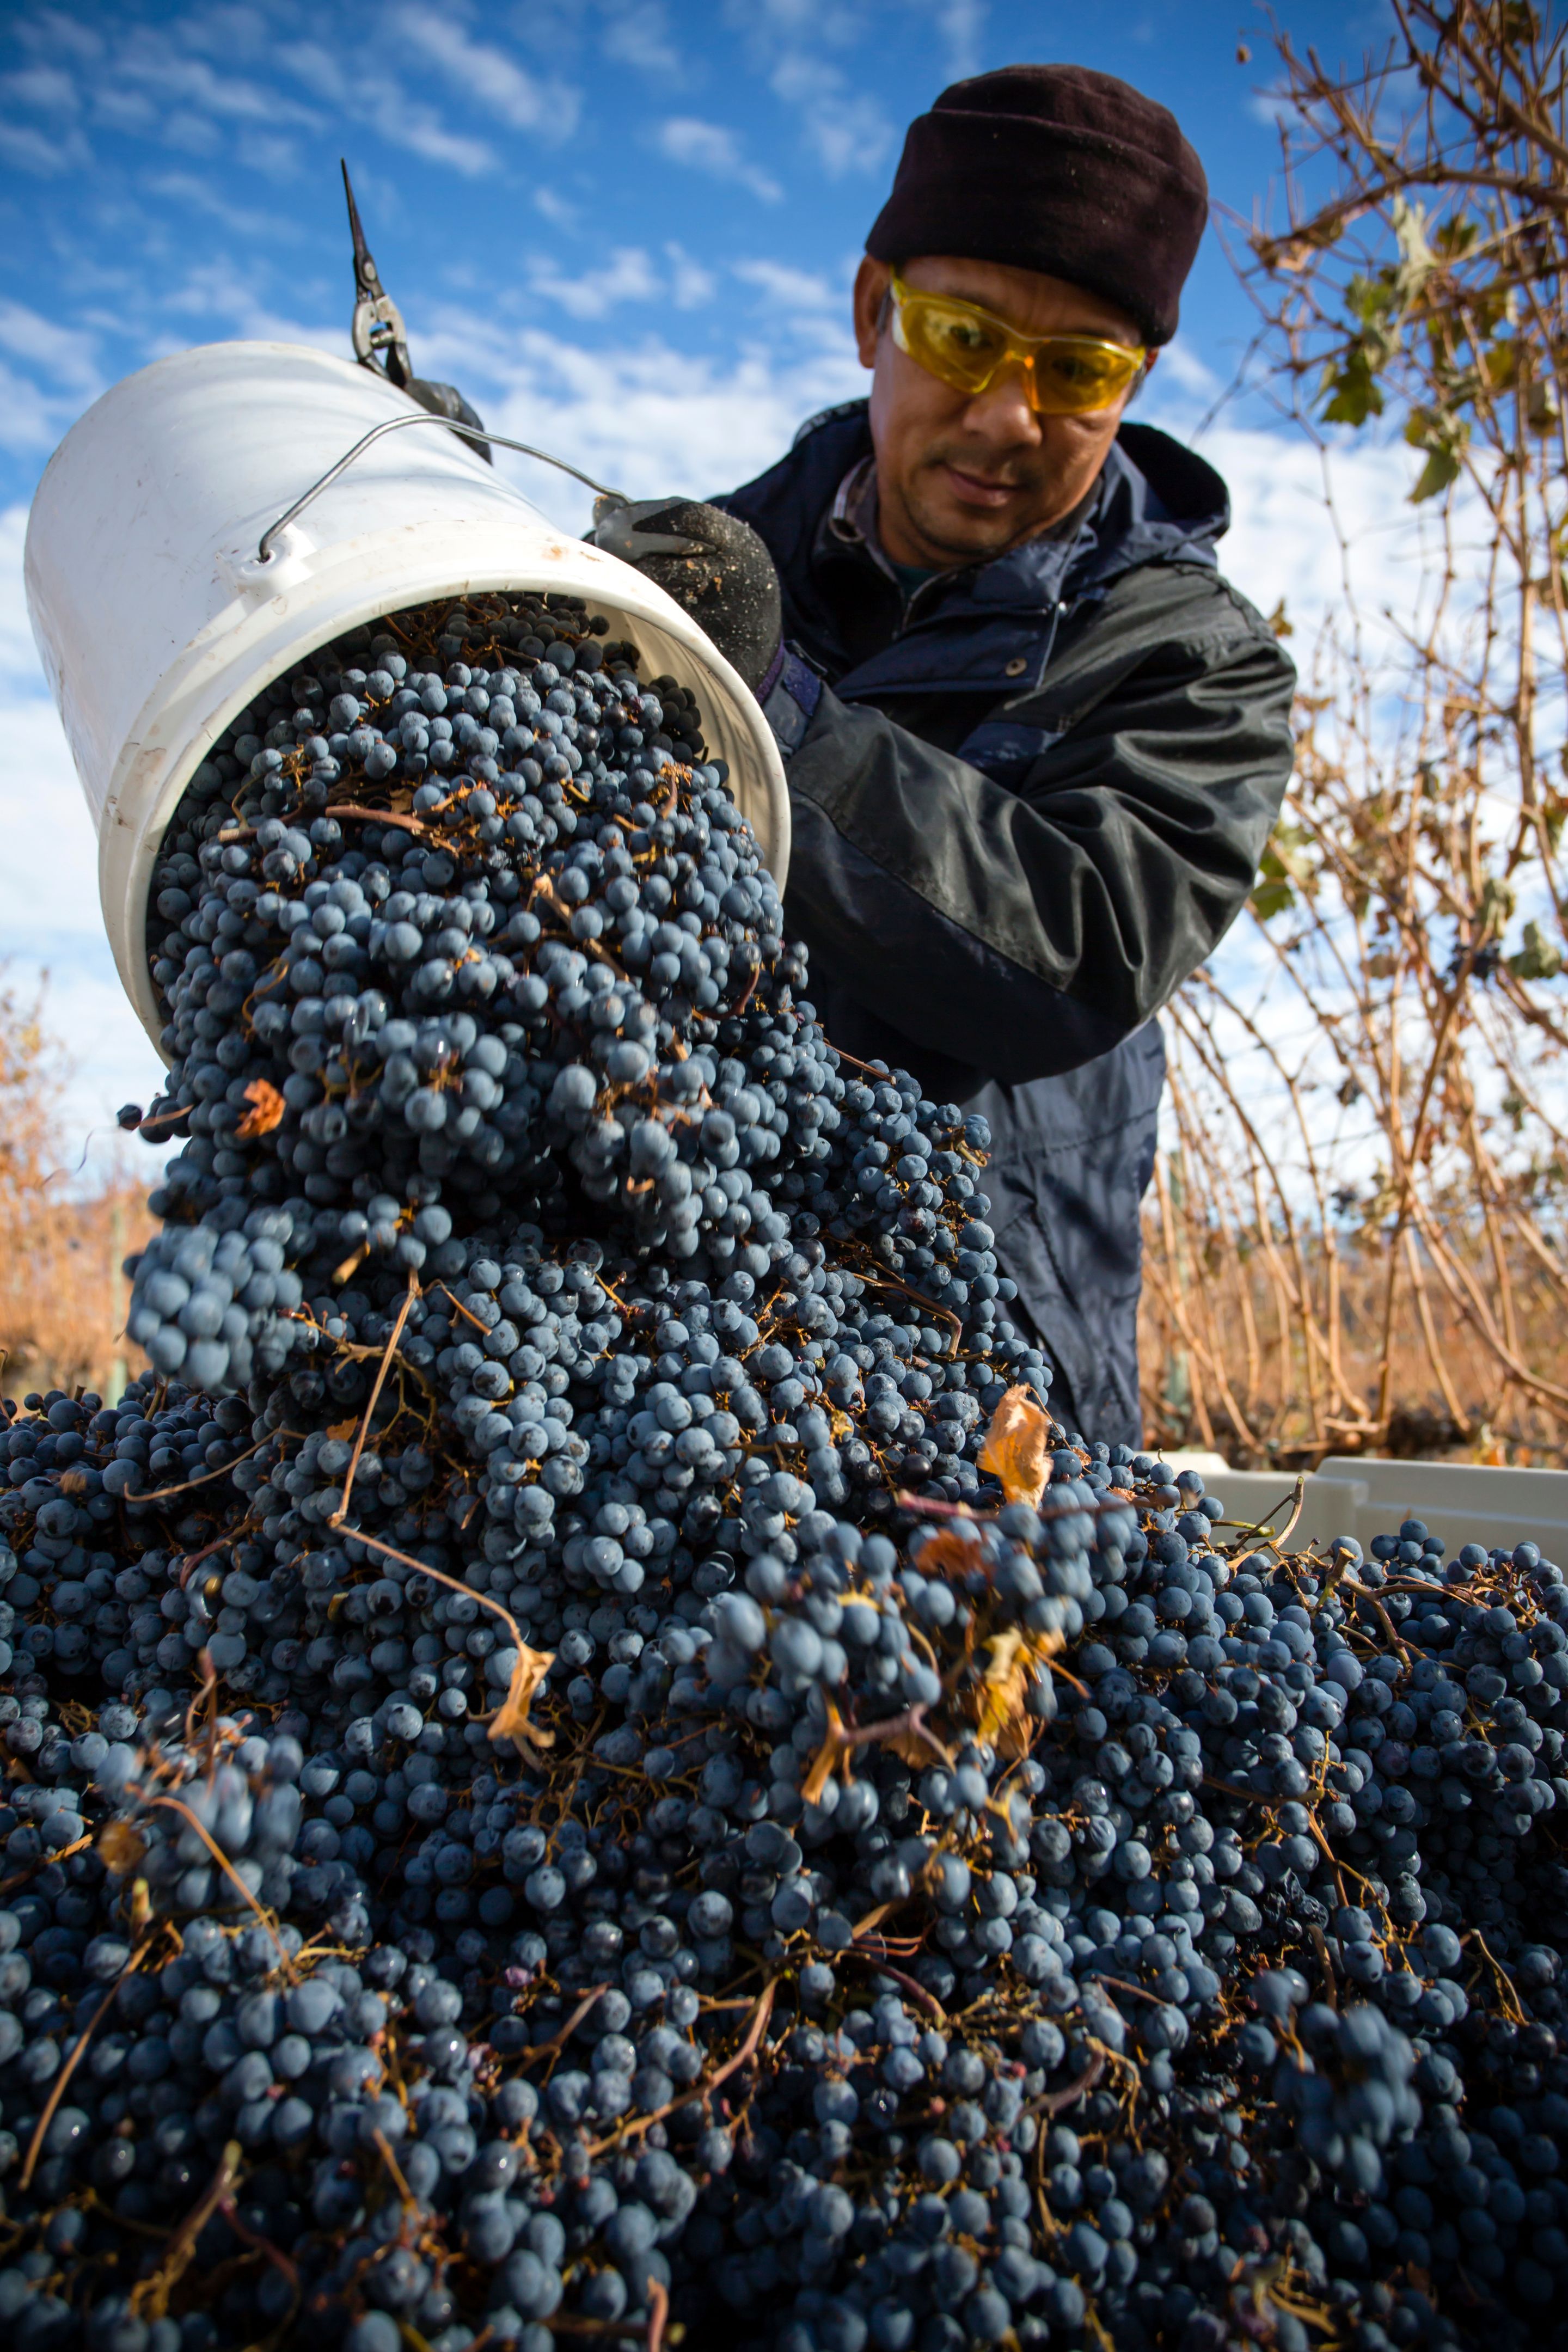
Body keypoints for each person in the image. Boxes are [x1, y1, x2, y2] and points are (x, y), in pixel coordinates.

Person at [593, 64, 1295, 1448]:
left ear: (1135, 383)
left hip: (989, 1381)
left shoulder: (1192, 659)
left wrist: (772, 712)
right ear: (876, 313)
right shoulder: (700, 583)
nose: (1006, 418)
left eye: (1077, 371)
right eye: (963, 338)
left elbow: (1080, 952)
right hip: (663, 1359)